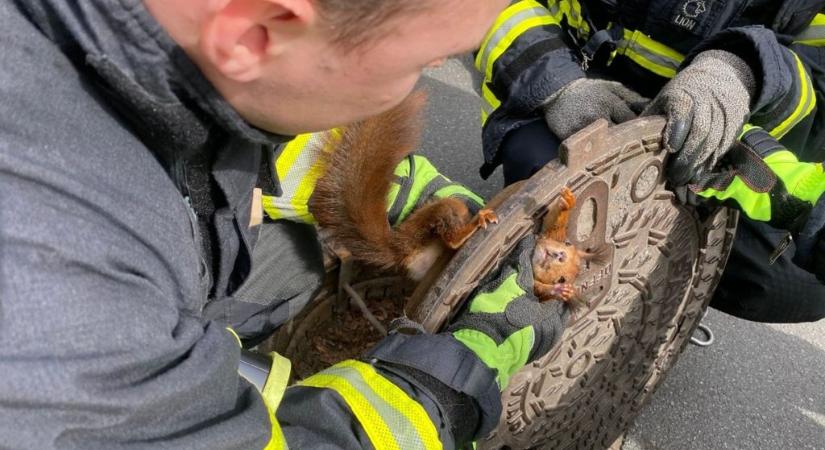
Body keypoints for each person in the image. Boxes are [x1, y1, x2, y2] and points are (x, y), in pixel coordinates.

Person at [0, 0, 574, 448]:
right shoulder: (60, 293)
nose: (431, 70)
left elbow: (284, 131)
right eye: (424, 61)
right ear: (256, 32)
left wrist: (402, 198)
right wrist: (453, 378)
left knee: (293, 269)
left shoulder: (165, 43)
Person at [473, 0, 825, 322]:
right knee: (552, 189)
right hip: (581, 91)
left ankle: (647, 290)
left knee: (792, 285)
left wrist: (743, 71)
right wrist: (556, 85)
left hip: (709, 126)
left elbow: (819, 84)